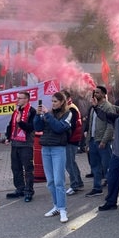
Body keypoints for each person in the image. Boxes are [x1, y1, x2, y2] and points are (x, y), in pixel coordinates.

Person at [34, 92, 72, 223]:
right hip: (46, 148)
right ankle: (56, 206)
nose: (53, 103)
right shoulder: (48, 113)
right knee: (50, 181)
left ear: (62, 102)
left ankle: (62, 209)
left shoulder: (68, 113)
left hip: (58, 149)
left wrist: (48, 115)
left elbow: (59, 128)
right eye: (52, 101)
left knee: (58, 181)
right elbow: (38, 127)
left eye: (56, 101)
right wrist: (38, 115)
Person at [84, 86, 117, 197]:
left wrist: (104, 140)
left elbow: (110, 125)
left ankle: (113, 186)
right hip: (94, 140)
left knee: (107, 165)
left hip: (103, 141)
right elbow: (90, 125)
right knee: (95, 166)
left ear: (103, 94)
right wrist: (88, 141)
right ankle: (97, 187)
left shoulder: (108, 107)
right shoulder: (94, 107)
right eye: (94, 92)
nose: (95, 94)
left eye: (98, 93)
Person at [5, 90, 36, 202]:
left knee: (28, 169)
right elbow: (10, 125)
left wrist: (21, 122)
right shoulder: (16, 110)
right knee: (15, 168)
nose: (17, 100)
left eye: (20, 98)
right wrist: (8, 137)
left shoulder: (32, 111)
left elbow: (31, 128)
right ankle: (20, 188)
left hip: (26, 144)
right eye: (17, 98)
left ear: (26, 99)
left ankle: (29, 191)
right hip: (15, 143)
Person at [60, 90, 84, 195]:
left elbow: (72, 126)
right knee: (71, 162)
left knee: (69, 163)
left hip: (71, 140)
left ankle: (74, 185)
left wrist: (66, 137)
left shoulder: (71, 109)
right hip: (71, 139)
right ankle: (78, 182)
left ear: (67, 98)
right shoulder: (68, 107)